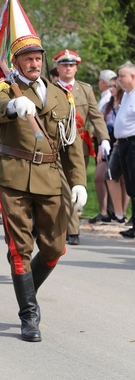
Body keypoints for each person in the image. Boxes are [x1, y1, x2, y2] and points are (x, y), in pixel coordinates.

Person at [0, 34, 87, 342]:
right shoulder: (4, 89)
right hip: (14, 176)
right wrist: (15, 104)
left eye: (38, 58)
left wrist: (78, 180)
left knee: (55, 247)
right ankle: (28, 314)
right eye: (27, 58)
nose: (34, 62)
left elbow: (71, 144)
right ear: (15, 63)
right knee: (19, 249)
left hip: (52, 177)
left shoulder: (59, 95)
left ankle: (27, 289)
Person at [53, 49, 110, 245]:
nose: (68, 68)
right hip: (56, 144)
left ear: (76, 68)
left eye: (72, 65)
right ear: (57, 67)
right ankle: (71, 229)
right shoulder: (50, 89)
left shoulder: (85, 89)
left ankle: (69, 227)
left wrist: (104, 139)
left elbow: (95, 116)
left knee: (77, 187)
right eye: (64, 64)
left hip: (80, 145)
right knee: (61, 188)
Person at [88, 78, 128, 223]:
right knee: (100, 175)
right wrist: (100, 145)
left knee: (123, 178)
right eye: (110, 86)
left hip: (121, 142)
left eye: (114, 86)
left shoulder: (126, 103)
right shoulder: (107, 105)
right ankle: (104, 212)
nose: (110, 89)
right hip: (107, 143)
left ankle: (121, 213)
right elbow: (100, 126)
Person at [113, 62, 135, 238]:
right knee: (130, 184)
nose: (119, 79)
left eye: (122, 76)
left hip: (133, 143)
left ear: (133, 77)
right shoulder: (128, 94)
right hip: (124, 143)